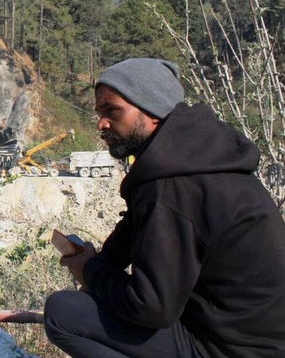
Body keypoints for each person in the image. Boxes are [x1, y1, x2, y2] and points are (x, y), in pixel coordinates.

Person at [44, 58, 285, 358]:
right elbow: (134, 228)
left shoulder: (175, 187)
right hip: (242, 336)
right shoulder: (191, 159)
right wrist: (99, 264)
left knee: (62, 313)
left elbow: (151, 307)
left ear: (152, 110)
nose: (101, 123)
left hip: (230, 350)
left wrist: (91, 271)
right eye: (99, 112)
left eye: (112, 111)